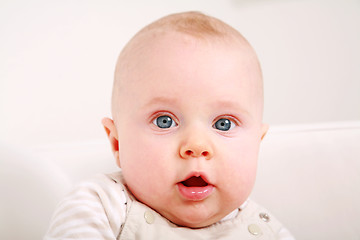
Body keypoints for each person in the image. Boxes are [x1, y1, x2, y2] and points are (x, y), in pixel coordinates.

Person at [45, 11, 295, 239]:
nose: (196, 146)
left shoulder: (269, 230)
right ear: (117, 143)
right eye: (164, 121)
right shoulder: (100, 205)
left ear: (257, 145)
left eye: (224, 123)